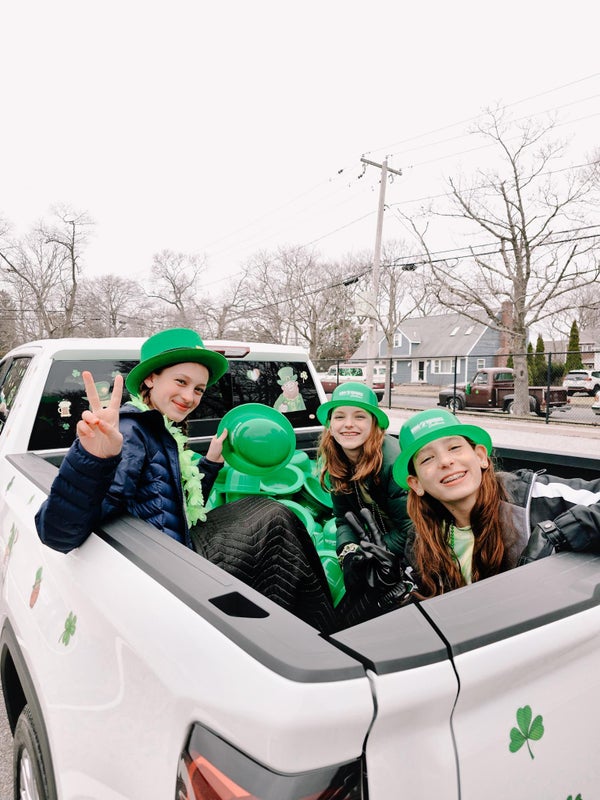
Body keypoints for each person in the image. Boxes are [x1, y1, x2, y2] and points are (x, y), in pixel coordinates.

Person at [36, 328, 336, 634]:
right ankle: (316, 633)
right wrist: (94, 458)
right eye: (181, 382)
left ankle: (298, 626)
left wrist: (210, 463)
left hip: (176, 544)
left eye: (199, 389)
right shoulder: (131, 432)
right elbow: (57, 533)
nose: (189, 397)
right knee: (276, 523)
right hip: (166, 569)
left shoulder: (160, 428)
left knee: (266, 509)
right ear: (150, 378)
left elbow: (176, 503)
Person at [392, 408, 600, 597]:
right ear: (416, 483)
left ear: (481, 456)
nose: (445, 461)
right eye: (427, 459)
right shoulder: (421, 543)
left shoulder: (535, 498)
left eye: (454, 447)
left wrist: (561, 532)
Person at [316, 383, 414, 624]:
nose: (348, 424)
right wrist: (348, 552)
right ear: (330, 425)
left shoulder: (392, 462)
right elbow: (343, 518)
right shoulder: (337, 460)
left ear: (374, 424)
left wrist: (369, 554)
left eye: (359, 416)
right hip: (377, 546)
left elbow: (411, 530)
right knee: (337, 618)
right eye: (339, 416)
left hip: (411, 554)